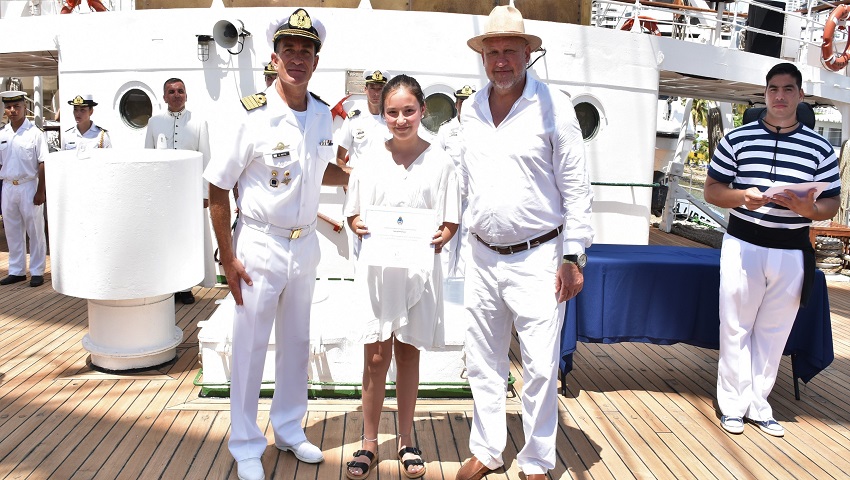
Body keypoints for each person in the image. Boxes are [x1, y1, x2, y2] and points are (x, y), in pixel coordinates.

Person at [203, 9, 348, 480]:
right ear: (275, 57)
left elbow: (319, 168)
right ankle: (246, 443)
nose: (297, 58)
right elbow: (218, 186)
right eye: (289, 50)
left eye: (306, 51)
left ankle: (287, 428)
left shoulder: (322, 114)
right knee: (249, 347)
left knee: (297, 342)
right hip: (259, 244)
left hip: (305, 246)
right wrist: (227, 256)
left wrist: (358, 176)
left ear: (316, 60)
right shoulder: (251, 115)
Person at [455, 6, 593, 480]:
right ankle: (487, 449)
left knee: (539, 366)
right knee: (482, 361)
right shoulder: (469, 109)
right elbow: (465, 182)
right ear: (483, 56)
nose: (500, 61)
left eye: (509, 51)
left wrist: (574, 256)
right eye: (492, 51)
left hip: (539, 257)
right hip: (481, 254)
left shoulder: (556, 108)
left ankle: (536, 459)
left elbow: (576, 189)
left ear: (527, 53)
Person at [705, 62, 840, 438]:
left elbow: (831, 202)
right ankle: (732, 406)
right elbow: (712, 190)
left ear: (800, 95)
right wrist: (741, 197)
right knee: (735, 327)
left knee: (774, 332)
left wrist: (810, 210)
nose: (780, 96)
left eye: (787, 89)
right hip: (743, 244)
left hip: (792, 251)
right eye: (773, 89)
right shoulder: (737, 139)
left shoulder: (820, 148)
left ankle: (758, 405)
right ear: (765, 95)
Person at [343, 74, 460, 480]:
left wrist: (444, 235)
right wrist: (357, 223)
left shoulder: (441, 162)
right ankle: (369, 441)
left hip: (419, 271)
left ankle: (407, 438)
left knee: (409, 352)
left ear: (422, 110)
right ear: (383, 113)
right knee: (376, 357)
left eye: (409, 110)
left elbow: (450, 219)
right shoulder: (369, 160)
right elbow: (353, 212)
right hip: (378, 272)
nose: (401, 119)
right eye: (392, 112)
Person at [144, 77, 213, 304]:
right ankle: (167, 285)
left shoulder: (198, 122)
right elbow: (147, 159)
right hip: (163, 194)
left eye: (180, 91)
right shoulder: (154, 123)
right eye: (171, 92)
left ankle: (185, 287)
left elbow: (206, 159)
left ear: (186, 95)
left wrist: (205, 193)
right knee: (165, 241)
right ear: (164, 97)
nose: (176, 95)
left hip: (189, 194)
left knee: (187, 240)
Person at [0, 91, 49, 287]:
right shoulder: (2, 133)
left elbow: (43, 162)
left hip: (29, 185)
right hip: (8, 186)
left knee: (35, 230)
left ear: (25, 107)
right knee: (12, 230)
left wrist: (41, 191)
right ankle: (16, 270)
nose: (13, 110)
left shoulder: (35, 133)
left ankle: (37, 271)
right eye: (9, 107)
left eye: (17, 106)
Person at [438, 85, 475, 278]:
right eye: (462, 102)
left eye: (469, 102)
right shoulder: (446, 130)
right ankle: (445, 284)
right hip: (450, 195)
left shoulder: (481, 129)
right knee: (447, 243)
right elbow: (436, 161)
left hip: (472, 196)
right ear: (456, 104)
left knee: (468, 242)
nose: (465, 106)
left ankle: (461, 285)